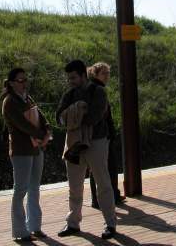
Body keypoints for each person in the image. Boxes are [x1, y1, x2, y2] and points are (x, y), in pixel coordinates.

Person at [55, 59, 117, 240]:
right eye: (69, 78)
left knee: (103, 184)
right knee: (74, 185)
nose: (71, 81)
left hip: (96, 141)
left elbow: (94, 117)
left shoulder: (99, 92)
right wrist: (76, 113)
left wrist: (72, 115)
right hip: (74, 142)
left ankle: (110, 223)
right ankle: (73, 223)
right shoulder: (68, 94)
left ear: (83, 75)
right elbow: (59, 117)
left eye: (73, 77)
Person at [1, 68, 51, 242]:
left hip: (37, 148)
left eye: (26, 80)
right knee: (20, 190)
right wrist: (41, 136)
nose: (25, 83)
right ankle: (20, 231)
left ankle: (35, 226)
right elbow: (22, 125)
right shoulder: (9, 102)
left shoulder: (26, 98)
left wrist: (47, 132)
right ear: (11, 83)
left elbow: (40, 116)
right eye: (20, 80)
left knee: (34, 188)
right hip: (22, 150)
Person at [87, 62, 125, 209]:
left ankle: (100, 197)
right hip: (101, 136)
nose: (107, 76)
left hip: (101, 135)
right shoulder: (96, 89)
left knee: (98, 167)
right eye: (103, 73)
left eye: (107, 73)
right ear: (95, 75)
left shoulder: (95, 88)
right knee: (109, 165)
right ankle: (109, 196)